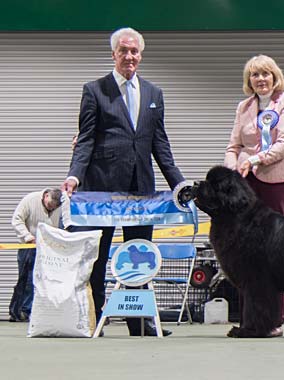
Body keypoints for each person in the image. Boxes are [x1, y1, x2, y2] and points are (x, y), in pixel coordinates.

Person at [62, 27, 185, 337]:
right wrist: (75, 174)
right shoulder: (94, 90)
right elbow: (87, 139)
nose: (129, 56)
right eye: (123, 51)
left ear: (140, 55)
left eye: (134, 51)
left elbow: (161, 144)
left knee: (139, 255)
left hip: (141, 191)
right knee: (98, 257)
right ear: (113, 54)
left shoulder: (155, 93)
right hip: (100, 189)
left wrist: (179, 185)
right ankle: (94, 318)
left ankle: (140, 322)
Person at [224, 54, 284, 216]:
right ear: (249, 80)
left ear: (275, 77)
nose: (261, 79)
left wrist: (254, 160)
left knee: (275, 237)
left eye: (265, 74)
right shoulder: (243, 107)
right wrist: (232, 174)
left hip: (277, 181)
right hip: (245, 183)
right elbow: (233, 147)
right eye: (255, 75)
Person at [9, 188, 70, 322]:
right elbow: (16, 220)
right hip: (28, 246)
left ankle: (30, 311)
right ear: (46, 195)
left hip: (47, 248)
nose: (51, 209)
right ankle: (18, 311)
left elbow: (63, 224)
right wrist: (27, 237)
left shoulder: (60, 207)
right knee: (25, 279)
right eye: (49, 206)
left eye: (54, 208)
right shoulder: (30, 200)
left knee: (42, 280)